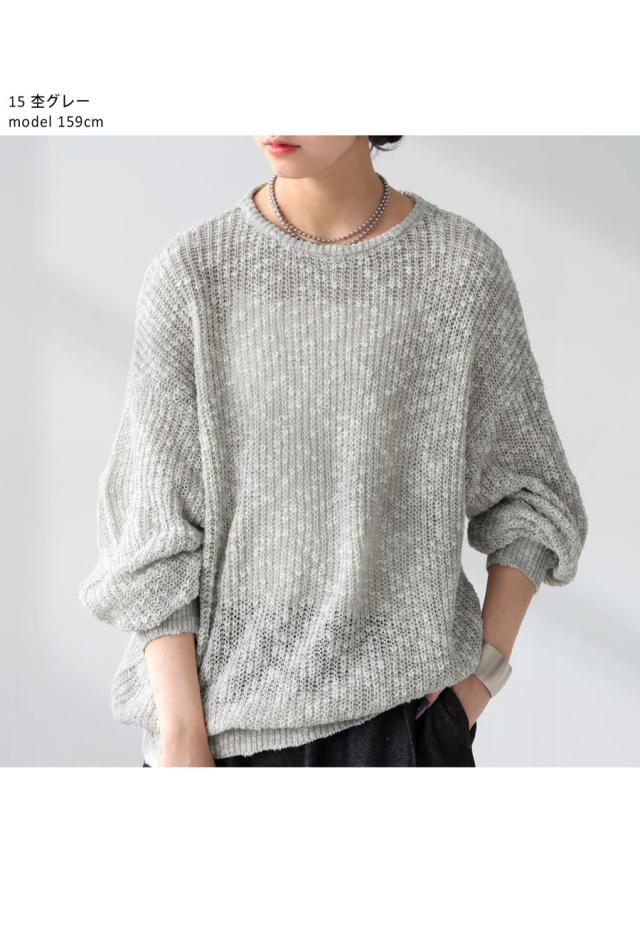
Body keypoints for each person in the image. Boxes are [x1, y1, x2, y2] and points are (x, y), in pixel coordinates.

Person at [78, 135, 588, 767]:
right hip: (216, 734)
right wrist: (183, 734)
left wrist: (480, 678)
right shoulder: (193, 274)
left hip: (403, 730)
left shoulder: (459, 270)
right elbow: (152, 530)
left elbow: (531, 498)